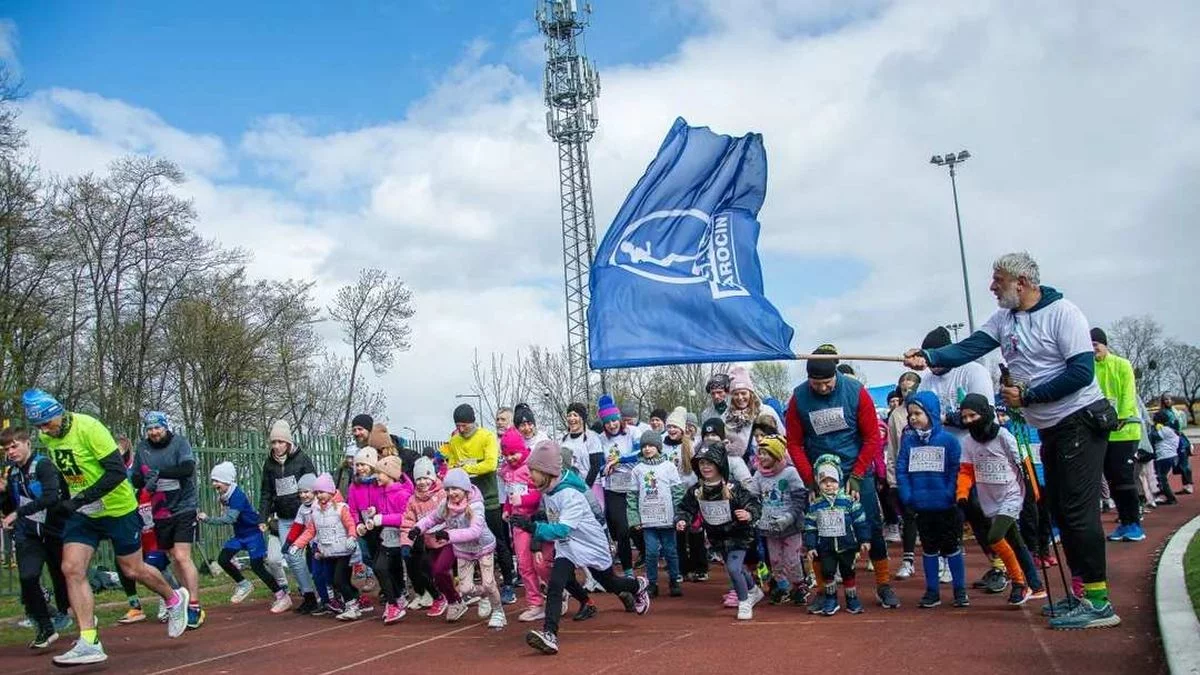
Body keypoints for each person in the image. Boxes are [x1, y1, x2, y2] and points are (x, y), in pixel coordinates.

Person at [905, 251, 1120, 629]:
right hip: (1051, 427)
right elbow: (970, 347)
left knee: (1076, 513)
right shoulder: (1005, 319)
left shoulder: (1064, 313)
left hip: (1079, 423)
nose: (991, 287)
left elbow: (1082, 373)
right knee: (1059, 512)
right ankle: (1083, 593)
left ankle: (1100, 602)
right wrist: (929, 355)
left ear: (1021, 283)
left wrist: (1031, 397)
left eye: (997, 280)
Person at [22, 389, 188, 665]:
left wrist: (81, 499)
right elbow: (69, 471)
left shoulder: (89, 428)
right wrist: (68, 501)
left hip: (117, 508)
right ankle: (89, 640)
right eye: (39, 426)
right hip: (84, 513)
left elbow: (116, 473)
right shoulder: (47, 436)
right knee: (71, 568)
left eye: (47, 423)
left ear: (59, 413)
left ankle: (173, 598)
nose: (44, 430)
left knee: (132, 569)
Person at [784, 351, 898, 610]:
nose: (823, 388)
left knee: (870, 526)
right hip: (819, 473)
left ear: (835, 375)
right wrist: (809, 479)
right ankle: (826, 591)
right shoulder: (799, 398)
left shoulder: (855, 391)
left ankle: (883, 584)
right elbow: (794, 442)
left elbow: (872, 438)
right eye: (816, 384)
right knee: (821, 532)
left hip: (854, 470)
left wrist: (857, 475)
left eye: (827, 383)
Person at [521, 440, 649, 655]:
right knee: (555, 584)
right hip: (568, 546)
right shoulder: (548, 491)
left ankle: (637, 586)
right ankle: (550, 634)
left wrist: (533, 528)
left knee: (609, 583)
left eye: (532, 470)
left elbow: (561, 529)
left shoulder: (571, 495)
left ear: (546, 471)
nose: (529, 475)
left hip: (591, 544)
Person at [918, 326, 1008, 594]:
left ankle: (1003, 566)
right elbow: (921, 412)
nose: (932, 367)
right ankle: (957, 565)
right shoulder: (927, 379)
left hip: (979, 453)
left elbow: (982, 413)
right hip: (946, 458)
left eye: (936, 359)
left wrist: (945, 418)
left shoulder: (972, 371)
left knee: (984, 512)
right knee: (953, 515)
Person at [956, 394, 1047, 606]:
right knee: (1015, 541)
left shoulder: (1003, 436)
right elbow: (966, 471)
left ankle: (1018, 582)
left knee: (995, 536)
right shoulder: (968, 442)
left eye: (973, 415)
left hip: (1011, 494)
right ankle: (1037, 585)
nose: (969, 421)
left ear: (985, 414)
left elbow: (1022, 464)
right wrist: (962, 493)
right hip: (990, 499)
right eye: (965, 417)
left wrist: (1033, 493)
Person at [676, 441, 763, 620]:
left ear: (719, 464)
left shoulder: (733, 488)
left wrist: (748, 513)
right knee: (737, 568)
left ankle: (744, 601)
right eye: (701, 463)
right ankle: (754, 590)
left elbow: (753, 503)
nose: (705, 467)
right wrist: (682, 520)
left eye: (710, 463)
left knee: (733, 568)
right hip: (717, 538)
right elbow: (685, 508)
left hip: (739, 534)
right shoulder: (697, 490)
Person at [132, 412, 204, 628]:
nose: (154, 433)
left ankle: (194, 605)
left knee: (182, 556)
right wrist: (145, 478)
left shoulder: (179, 443)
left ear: (165, 427)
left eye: (158, 428)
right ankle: (179, 597)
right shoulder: (142, 448)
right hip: (159, 511)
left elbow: (187, 468)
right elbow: (135, 476)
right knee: (171, 557)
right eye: (150, 429)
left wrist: (159, 473)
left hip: (184, 506)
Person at [2, 426, 71, 649]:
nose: (11, 452)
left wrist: (18, 512)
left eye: (14, 446)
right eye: (6, 448)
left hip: (53, 530)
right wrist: (2, 494)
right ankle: (45, 626)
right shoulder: (11, 473)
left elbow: (52, 497)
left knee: (61, 576)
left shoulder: (43, 465)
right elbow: (10, 508)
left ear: (27, 443)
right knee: (28, 577)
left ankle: (72, 615)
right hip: (28, 534)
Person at [413, 468, 508, 630]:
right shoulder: (446, 505)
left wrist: (448, 535)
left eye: (455, 489)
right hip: (463, 549)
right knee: (465, 589)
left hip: (482, 546)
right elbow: (433, 518)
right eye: (448, 489)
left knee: (489, 582)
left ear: (465, 488)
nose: (451, 493)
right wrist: (418, 528)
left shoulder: (476, 505)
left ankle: (498, 612)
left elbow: (474, 531)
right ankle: (483, 594)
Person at [897, 392, 967, 609]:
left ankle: (960, 590)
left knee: (952, 547)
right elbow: (902, 470)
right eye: (910, 414)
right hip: (921, 506)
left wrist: (949, 494)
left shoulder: (949, 441)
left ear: (932, 413)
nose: (913, 418)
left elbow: (955, 469)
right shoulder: (908, 442)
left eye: (918, 413)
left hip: (945, 506)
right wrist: (908, 495)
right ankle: (932, 591)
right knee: (928, 549)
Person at [443, 404, 517, 607]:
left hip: (489, 497)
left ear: (472, 422)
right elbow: (451, 465)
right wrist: (456, 469)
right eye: (458, 426)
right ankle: (476, 584)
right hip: (466, 501)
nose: (461, 429)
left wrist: (466, 468)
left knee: (497, 540)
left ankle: (509, 583)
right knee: (468, 541)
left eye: (464, 425)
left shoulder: (486, 437)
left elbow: (491, 464)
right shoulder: (455, 440)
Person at [199, 461, 291, 614]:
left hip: (252, 534)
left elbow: (230, 519)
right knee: (223, 559)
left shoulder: (237, 496)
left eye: (217, 481)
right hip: (240, 535)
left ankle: (282, 596)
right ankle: (243, 584)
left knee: (257, 566)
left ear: (227, 481)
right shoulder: (225, 494)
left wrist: (208, 519)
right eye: (213, 481)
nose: (214, 484)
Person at [257, 420, 320, 614]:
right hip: (284, 517)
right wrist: (263, 517)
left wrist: (314, 507)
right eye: (273, 442)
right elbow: (266, 491)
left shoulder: (302, 459)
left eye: (280, 442)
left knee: (316, 553)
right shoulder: (269, 464)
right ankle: (309, 595)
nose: (276, 446)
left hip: (305, 514)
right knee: (290, 555)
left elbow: (313, 485)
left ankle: (326, 592)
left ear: (288, 443)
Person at [1090, 328, 1146, 542]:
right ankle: (1124, 522)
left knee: (1124, 478)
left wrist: (1120, 417)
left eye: (1096, 344)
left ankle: (1135, 524)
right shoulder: (1090, 368)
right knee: (1112, 480)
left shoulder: (1122, 364)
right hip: (1103, 434)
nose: (1093, 348)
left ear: (1104, 345)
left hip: (1125, 432)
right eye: (1090, 345)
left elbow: (1127, 394)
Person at [117, 436, 180, 626]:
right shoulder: (113, 471)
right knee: (131, 565)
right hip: (131, 519)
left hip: (153, 520)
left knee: (156, 562)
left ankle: (173, 596)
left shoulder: (140, 468)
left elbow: (154, 486)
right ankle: (141, 603)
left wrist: (147, 488)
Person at [498, 428, 555, 622]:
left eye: (513, 453)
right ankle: (535, 603)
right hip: (518, 524)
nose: (511, 458)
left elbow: (538, 492)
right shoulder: (506, 471)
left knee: (541, 563)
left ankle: (557, 592)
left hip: (536, 520)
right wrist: (507, 508)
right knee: (524, 564)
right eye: (506, 455)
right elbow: (509, 494)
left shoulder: (531, 467)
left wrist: (521, 500)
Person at [804, 455, 871, 616]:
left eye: (832, 480)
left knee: (848, 572)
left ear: (840, 480)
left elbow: (860, 521)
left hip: (847, 545)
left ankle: (852, 598)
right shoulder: (816, 505)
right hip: (826, 547)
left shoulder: (848, 501)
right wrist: (811, 546)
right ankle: (830, 599)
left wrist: (864, 540)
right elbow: (810, 527)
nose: (829, 485)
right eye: (824, 481)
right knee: (827, 572)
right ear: (818, 484)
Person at [289, 473, 360, 620]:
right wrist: (297, 545)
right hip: (328, 552)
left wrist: (352, 537)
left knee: (340, 579)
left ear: (330, 491)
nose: (319, 496)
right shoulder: (316, 512)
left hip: (343, 551)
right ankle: (350, 602)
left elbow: (350, 524)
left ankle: (353, 605)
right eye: (316, 493)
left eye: (321, 492)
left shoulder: (341, 508)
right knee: (333, 580)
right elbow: (310, 530)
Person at [752, 435, 808, 607]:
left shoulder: (790, 472)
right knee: (775, 559)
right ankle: (782, 586)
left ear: (776, 455)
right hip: (770, 526)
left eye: (766, 454)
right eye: (760, 453)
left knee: (792, 559)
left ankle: (799, 586)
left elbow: (800, 498)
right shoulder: (758, 475)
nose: (761, 457)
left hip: (790, 525)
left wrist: (789, 517)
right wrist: (755, 516)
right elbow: (752, 496)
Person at [627, 430, 685, 598]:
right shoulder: (637, 470)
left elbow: (677, 492)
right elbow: (632, 496)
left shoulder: (669, 467)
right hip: (648, 521)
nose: (647, 449)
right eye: (644, 446)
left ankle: (674, 580)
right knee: (651, 552)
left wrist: (679, 515)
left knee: (671, 551)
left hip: (667, 519)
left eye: (651, 445)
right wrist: (634, 518)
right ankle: (652, 583)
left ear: (658, 447)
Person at [361, 455, 414, 624]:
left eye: (380, 473)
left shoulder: (403, 494)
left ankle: (396, 602)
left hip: (402, 538)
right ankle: (395, 601)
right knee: (380, 567)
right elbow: (383, 510)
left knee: (390, 569)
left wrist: (381, 519)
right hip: (387, 538)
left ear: (390, 475)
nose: (377, 476)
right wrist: (373, 511)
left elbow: (404, 518)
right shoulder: (381, 492)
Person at [597, 394, 639, 575]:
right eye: (608, 422)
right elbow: (598, 463)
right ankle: (628, 568)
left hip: (633, 485)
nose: (612, 425)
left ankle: (640, 559)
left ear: (619, 419)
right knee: (619, 529)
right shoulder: (600, 439)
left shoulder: (632, 432)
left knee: (632, 528)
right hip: (613, 487)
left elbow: (640, 453)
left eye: (614, 420)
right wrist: (604, 468)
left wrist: (619, 460)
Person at [400, 457, 448, 617]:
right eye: (418, 479)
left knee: (441, 570)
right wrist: (406, 544)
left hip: (447, 541)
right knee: (425, 570)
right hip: (428, 543)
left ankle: (453, 596)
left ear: (433, 477)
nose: (422, 482)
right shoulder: (413, 501)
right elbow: (407, 523)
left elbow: (452, 514)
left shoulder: (442, 494)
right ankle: (439, 597)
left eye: (425, 478)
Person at [724, 366, 784, 461]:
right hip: (738, 466)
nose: (740, 397)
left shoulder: (767, 411)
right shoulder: (726, 418)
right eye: (736, 394)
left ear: (751, 393)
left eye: (743, 393)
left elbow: (782, 437)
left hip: (769, 463)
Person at [560, 402, 603, 487]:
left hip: (591, 486)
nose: (572, 418)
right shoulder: (563, 439)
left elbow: (595, 466)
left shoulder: (592, 437)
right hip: (571, 487)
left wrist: (585, 487)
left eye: (575, 415)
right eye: (569, 415)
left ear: (582, 418)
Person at [1151, 411, 1180, 506]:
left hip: (1165, 456)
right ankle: (1164, 493)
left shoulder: (1164, 430)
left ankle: (1171, 498)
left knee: (1162, 478)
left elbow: (1154, 437)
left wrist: (1153, 428)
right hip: (1171, 455)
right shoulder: (1170, 430)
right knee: (1162, 478)